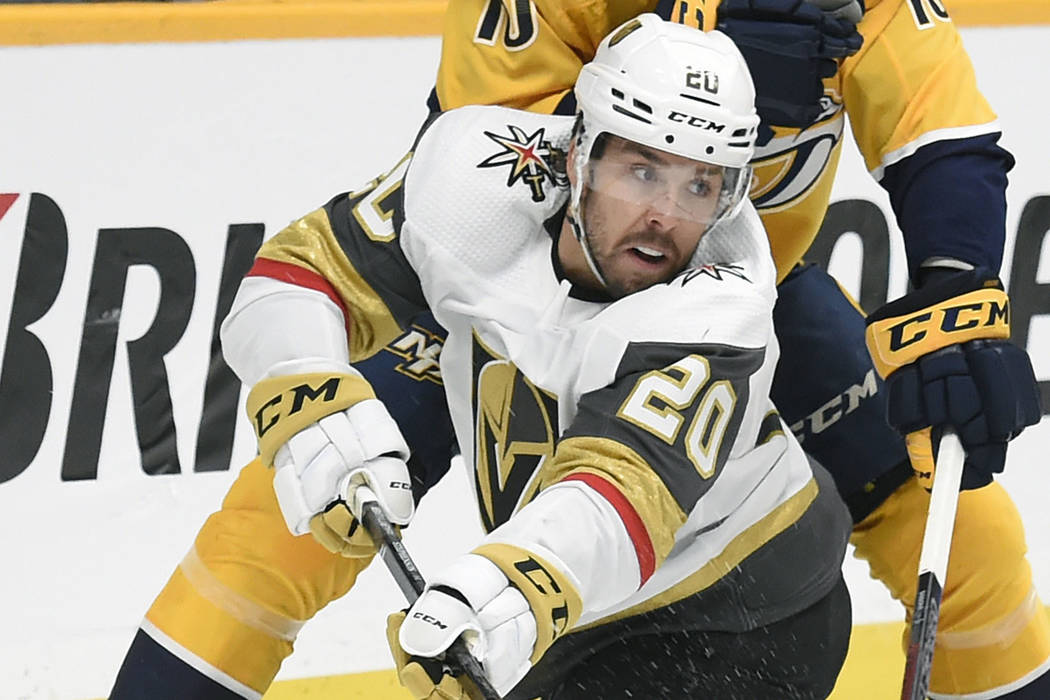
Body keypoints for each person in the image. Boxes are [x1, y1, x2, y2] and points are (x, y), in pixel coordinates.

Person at [111, 16, 854, 699]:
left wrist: (504, 593)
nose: (665, 213)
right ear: (580, 153)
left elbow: (615, 500)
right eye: (641, 170)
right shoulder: (473, 172)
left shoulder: (720, 303)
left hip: (745, 603)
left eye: (700, 184)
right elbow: (298, 276)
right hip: (587, 602)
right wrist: (308, 388)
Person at [425, 0, 1050, 698]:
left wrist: (954, 282)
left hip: (755, 300)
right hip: (531, 301)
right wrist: (712, 62)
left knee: (972, 545)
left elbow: (940, 138)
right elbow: (483, 144)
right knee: (287, 527)